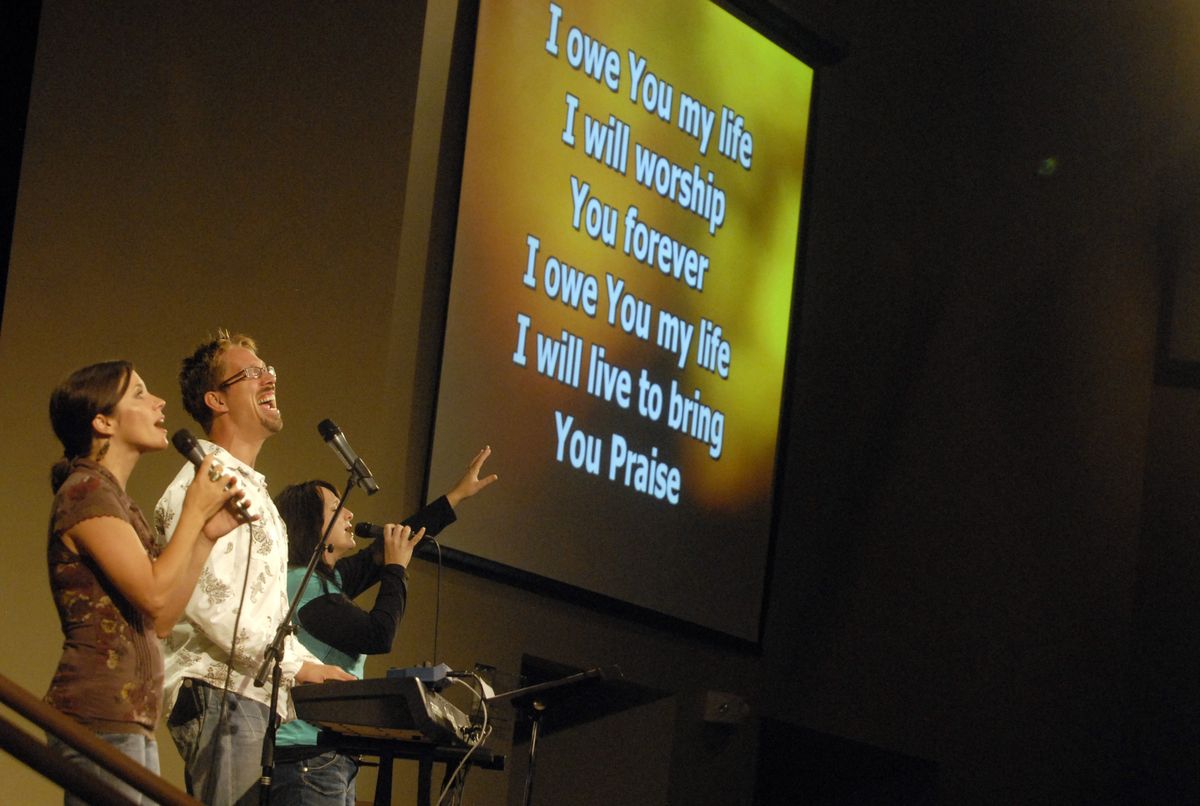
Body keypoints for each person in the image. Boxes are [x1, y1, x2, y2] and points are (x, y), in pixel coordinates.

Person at [154, 331, 354, 805]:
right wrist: (300, 670)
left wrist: (317, 668)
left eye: (270, 369)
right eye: (252, 372)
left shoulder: (257, 492)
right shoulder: (202, 481)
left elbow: (269, 616)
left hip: (254, 698)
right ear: (215, 399)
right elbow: (212, 606)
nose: (270, 377)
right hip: (217, 693)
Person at [45, 360, 247, 805]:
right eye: (139, 394)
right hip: (99, 713)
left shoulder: (115, 500)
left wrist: (205, 537)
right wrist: (194, 507)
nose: (159, 403)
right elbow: (155, 595)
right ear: (102, 421)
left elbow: (159, 620)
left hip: (128, 717)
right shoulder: (85, 492)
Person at [270, 447, 497, 804]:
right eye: (336, 508)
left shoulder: (326, 581)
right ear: (314, 529)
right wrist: (396, 570)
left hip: (327, 755)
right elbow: (378, 634)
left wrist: (454, 498)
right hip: (306, 756)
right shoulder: (304, 587)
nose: (350, 513)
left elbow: (386, 548)